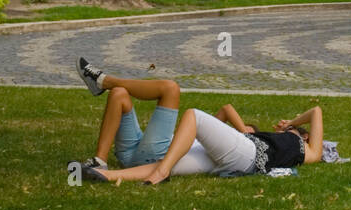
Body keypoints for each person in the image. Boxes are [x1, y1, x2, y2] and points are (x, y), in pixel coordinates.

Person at [70, 60, 328, 185]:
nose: (282, 128)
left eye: (294, 131)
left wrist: (292, 124)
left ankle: (162, 172)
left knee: (192, 114)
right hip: (235, 155)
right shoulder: (271, 141)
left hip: (248, 153)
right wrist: (284, 127)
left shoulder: (307, 150)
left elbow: (316, 110)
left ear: (304, 136)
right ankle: (106, 173)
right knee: (168, 154)